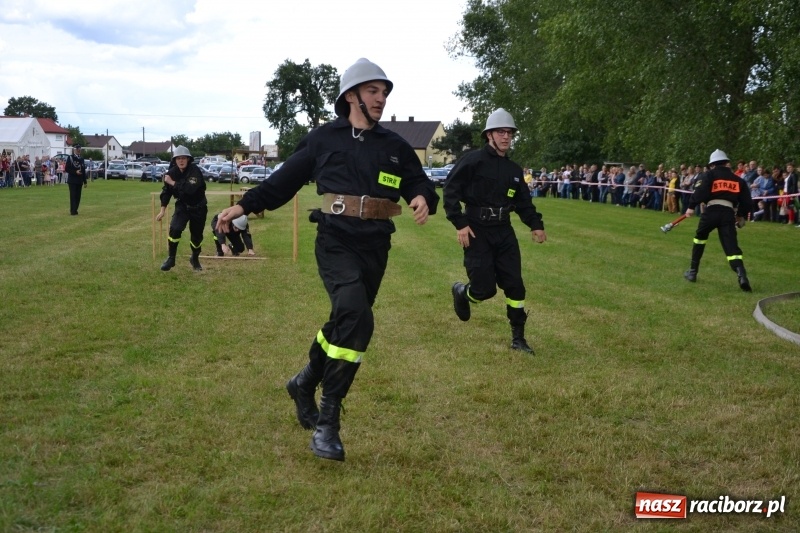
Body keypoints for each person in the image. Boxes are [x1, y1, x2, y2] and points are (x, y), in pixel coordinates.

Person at [215, 58, 439, 462]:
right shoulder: (323, 140)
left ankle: (303, 383)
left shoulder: (395, 146)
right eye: (373, 91)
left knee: (345, 320)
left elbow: (418, 180)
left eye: (384, 92)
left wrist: (423, 195)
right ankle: (328, 422)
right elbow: (283, 180)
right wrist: (243, 206)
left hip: (376, 244)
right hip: (335, 240)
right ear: (351, 95)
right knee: (358, 317)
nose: (381, 98)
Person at [444, 108, 547, 354]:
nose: (506, 137)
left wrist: (535, 224)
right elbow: (450, 191)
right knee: (484, 290)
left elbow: (523, 202)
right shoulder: (472, 161)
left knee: (515, 286)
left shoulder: (513, 170)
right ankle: (462, 291)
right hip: (476, 231)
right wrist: (460, 223)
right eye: (501, 132)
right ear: (489, 134)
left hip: (504, 232)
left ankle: (518, 338)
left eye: (509, 133)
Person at [683, 149, 753, 291]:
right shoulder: (738, 180)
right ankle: (741, 274)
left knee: (699, 239)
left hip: (711, 211)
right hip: (728, 214)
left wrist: (691, 207)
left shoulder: (709, 174)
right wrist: (740, 215)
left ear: (712, 164)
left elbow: (700, 191)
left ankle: (692, 272)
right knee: (731, 246)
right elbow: (747, 202)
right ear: (727, 163)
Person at [155, 146, 207, 271]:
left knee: (196, 236)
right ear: (174, 160)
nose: (181, 161)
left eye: (183, 158)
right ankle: (171, 258)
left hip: (198, 208)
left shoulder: (195, 171)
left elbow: (190, 190)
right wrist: (162, 209)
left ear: (188, 159)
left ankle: (194, 258)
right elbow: (166, 192)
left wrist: (173, 182)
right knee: (175, 229)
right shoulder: (172, 172)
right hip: (182, 206)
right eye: (178, 158)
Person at [65, 146, 87, 215]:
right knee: (73, 196)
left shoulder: (81, 158)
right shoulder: (71, 158)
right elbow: (67, 169)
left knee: (78, 196)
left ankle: (76, 209)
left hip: (79, 180)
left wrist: (85, 181)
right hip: (72, 180)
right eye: (77, 149)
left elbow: (83, 170)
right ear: (74, 150)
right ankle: (73, 210)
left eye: (79, 150)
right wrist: (75, 172)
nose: (78, 151)